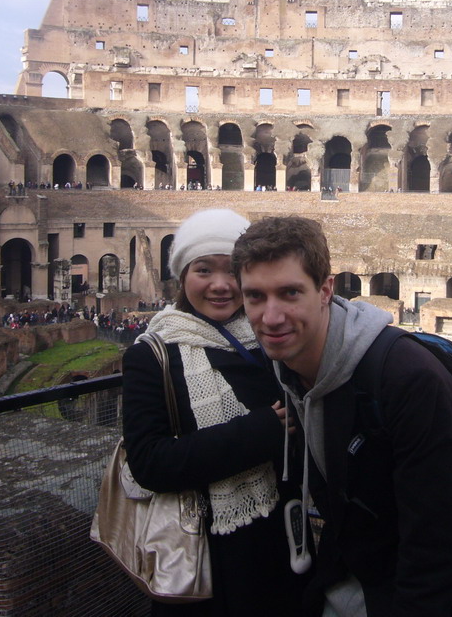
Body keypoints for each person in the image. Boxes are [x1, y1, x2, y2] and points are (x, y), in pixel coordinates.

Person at [233, 216, 452, 617]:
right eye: (256, 297)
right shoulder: (284, 368)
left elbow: (439, 542)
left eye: (290, 292)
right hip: (359, 580)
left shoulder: (408, 378)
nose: (271, 316)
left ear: (326, 290)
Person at [122, 208, 308, 616]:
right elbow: (149, 464)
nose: (221, 286)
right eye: (204, 270)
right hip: (205, 555)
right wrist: (258, 432)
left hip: (284, 540)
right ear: (182, 276)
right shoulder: (152, 355)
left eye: (232, 272)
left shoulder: (268, 334)